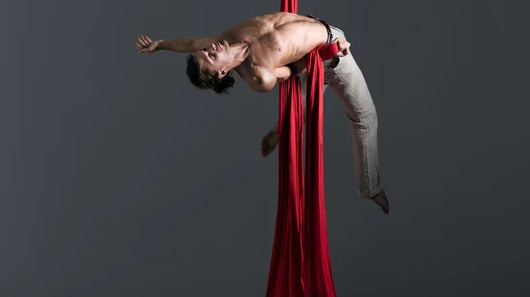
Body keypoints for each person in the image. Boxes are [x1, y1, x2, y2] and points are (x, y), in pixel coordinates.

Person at [136, 12, 389, 213]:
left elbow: (188, 42)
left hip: (324, 31)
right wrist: (331, 51)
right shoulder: (259, 76)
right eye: (210, 56)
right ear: (221, 73)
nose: (211, 47)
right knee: (365, 119)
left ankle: (279, 130)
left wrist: (160, 45)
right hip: (330, 57)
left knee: (296, 118)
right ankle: (371, 189)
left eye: (206, 50)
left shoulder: (223, 39)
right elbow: (293, 70)